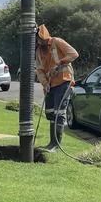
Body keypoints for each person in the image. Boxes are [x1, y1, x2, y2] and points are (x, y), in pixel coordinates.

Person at [35, 24, 79, 152]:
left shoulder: (57, 42)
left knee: (59, 113)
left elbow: (74, 54)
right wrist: (45, 83)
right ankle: (51, 143)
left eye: (39, 39)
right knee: (50, 113)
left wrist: (59, 63)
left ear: (43, 36)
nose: (38, 42)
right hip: (50, 85)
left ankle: (56, 145)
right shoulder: (38, 51)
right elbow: (39, 70)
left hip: (64, 81)